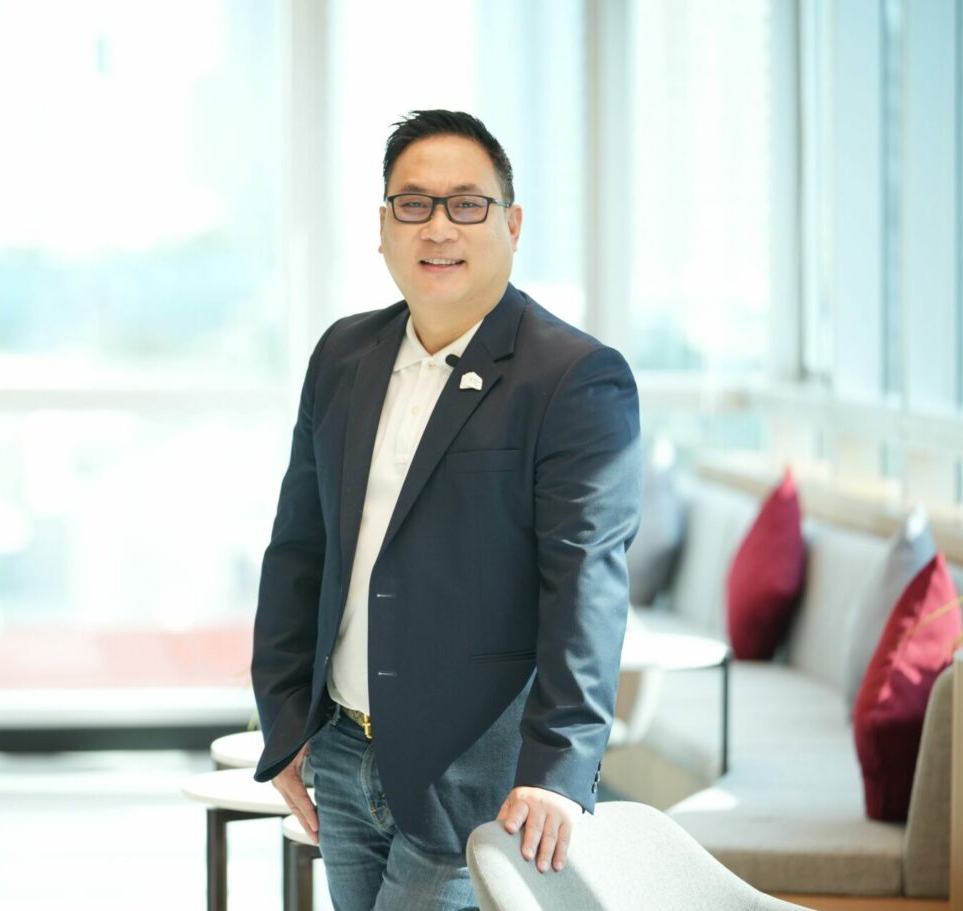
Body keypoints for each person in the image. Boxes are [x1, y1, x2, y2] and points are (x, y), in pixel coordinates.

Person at [251, 109, 641, 910]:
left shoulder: (573, 377)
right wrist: (285, 719)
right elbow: (300, 550)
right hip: (340, 757)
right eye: (413, 204)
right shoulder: (342, 356)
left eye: (467, 204)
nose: (438, 227)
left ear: (512, 224)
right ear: (383, 227)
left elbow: (585, 585)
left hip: (474, 781)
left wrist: (559, 768)